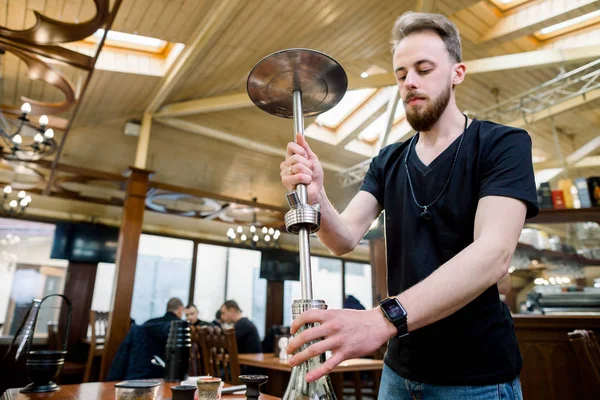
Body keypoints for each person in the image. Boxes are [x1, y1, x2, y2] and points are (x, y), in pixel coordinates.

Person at [280, 11, 538, 399]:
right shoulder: (388, 160)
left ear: (457, 72)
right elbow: (344, 238)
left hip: (476, 378)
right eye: (401, 74)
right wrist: (317, 196)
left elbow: (493, 254)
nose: (410, 83)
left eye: (424, 69)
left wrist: (382, 319)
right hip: (399, 374)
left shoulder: (502, 144)